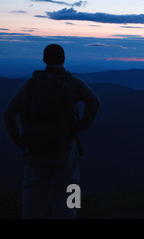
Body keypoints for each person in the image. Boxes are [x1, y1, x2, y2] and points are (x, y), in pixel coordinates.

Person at [3, 44, 100, 219]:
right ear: (63, 59)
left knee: (33, 195)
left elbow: (8, 113)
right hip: (65, 147)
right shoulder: (72, 82)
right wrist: (79, 127)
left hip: (35, 149)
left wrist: (20, 140)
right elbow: (94, 102)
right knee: (70, 189)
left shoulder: (31, 84)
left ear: (44, 59)